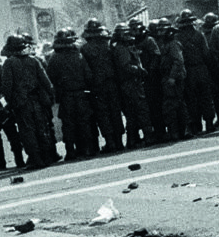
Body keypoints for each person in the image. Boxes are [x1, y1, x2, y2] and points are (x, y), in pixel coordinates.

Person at [0, 33, 57, 167]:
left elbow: (7, 87)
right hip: (37, 101)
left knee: (27, 131)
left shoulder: (9, 63)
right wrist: (50, 96)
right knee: (42, 128)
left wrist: (10, 102)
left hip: (22, 104)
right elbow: (46, 81)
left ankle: (36, 159)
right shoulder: (34, 60)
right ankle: (47, 157)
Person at [46, 29, 98, 159]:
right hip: (81, 95)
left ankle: (70, 151)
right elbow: (89, 75)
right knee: (84, 122)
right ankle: (88, 149)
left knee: (68, 125)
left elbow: (49, 79)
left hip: (65, 96)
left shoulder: (54, 59)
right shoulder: (79, 56)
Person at [79, 18, 124, 152]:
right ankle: (119, 142)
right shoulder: (109, 45)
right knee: (115, 112)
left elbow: (86, 71)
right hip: (112, 83)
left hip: (97, 86)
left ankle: (110, 143)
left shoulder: (84, 49)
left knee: (103, 114)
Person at [111, 23, 152, 148]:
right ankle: (148, 137)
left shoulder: (124, 47)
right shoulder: (121, 49)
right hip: (131, 84)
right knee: (141, 110)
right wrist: (140, 70)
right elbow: (126, 66)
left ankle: (132, 140)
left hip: (130, 83)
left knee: (132, 113)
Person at [176, 9, 217, 134]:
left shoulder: (177, 37)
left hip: (188, 72)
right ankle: (209, 124)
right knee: (206, 97)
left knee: (191, 100)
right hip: (201, 69)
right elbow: (206, 54)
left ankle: (196, 126)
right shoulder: (199, 35)